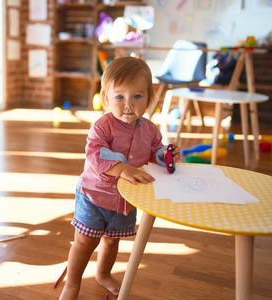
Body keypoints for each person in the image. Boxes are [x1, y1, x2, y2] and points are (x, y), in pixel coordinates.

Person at [59, 57, 181, 299]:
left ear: (149, 98)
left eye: (137, 96)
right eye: (119, 97)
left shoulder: (149, 129)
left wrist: (166, 154)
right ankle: (71, 284)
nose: (128, 104)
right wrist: (123, 169)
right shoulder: (102, 127)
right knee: (84, 243)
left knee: (112, 242)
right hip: (94, 196)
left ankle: (103, 274)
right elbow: (95, 153)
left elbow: (154, 151)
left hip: (124, 202)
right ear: (106, 98)